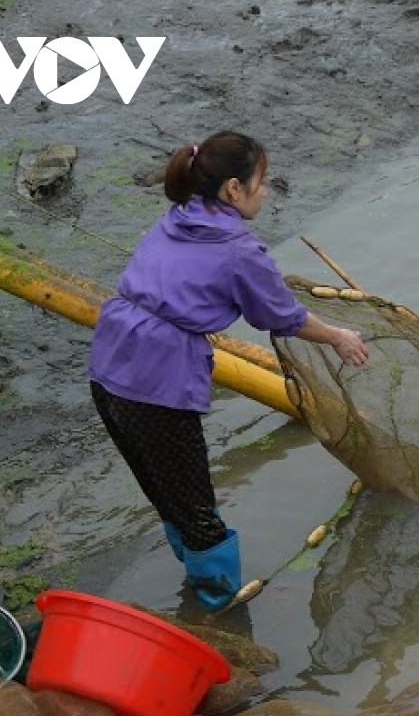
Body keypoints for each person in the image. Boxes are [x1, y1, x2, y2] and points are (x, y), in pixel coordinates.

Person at [88, 130, 369, 612]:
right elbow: (282, 317)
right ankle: (219, 611)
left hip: (109, 363)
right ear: (234, 189)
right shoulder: (240, 250)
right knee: (197, 510)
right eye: (262, 182)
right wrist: (341, 337)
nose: (266, 192)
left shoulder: (179, 217)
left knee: (166, 491)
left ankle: (191, 589)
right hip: (157, 380)